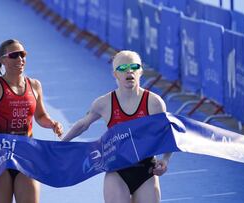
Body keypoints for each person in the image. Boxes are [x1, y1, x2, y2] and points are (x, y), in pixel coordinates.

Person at [62, 50, 172, 203]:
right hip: (117, 171)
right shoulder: (104, 103)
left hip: (146, 170)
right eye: (122, 68)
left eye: (134, 66)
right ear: (115, 74)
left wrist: (165, 160)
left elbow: (168, 134)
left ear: (140, 71)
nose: (129, 71)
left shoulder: (154, 102)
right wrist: (61, 144)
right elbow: (82, 125)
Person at [0, 39, 63, 203]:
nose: (20, 59)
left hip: (26, 156)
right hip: (0, 158)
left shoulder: (35, 85)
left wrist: (52, 124)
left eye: (23, 55)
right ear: (2, 60)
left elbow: (40, 116)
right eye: (14, 55)